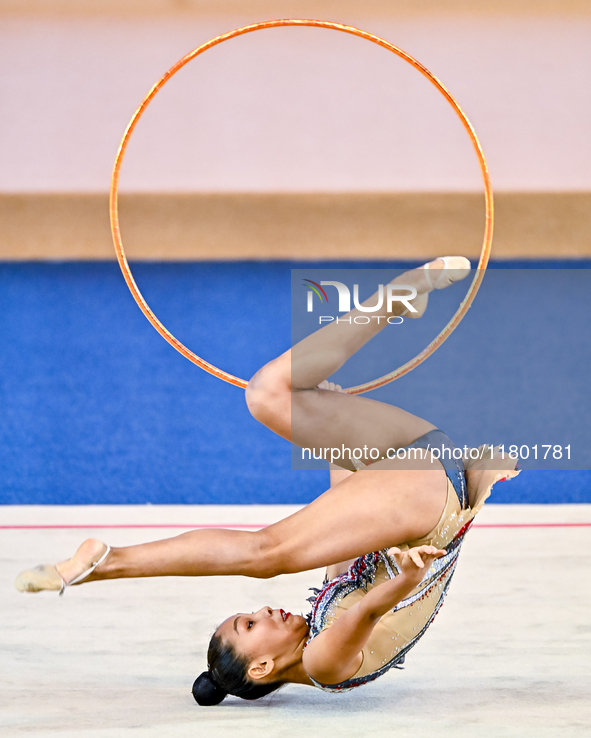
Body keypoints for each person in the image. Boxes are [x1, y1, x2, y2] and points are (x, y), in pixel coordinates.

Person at [15, 257, 519, 705]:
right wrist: (408, 576)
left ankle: (394, 299)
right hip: (432, 501)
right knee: (265, 553)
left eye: (248, 616)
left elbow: (349, 512)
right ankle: (108, 564)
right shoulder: (325, 666)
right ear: (261, 668)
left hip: (422, 471)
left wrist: (335, 437)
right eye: (249, 625)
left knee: (268, 395)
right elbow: (366, 613)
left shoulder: (323, 605)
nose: (260, 611)